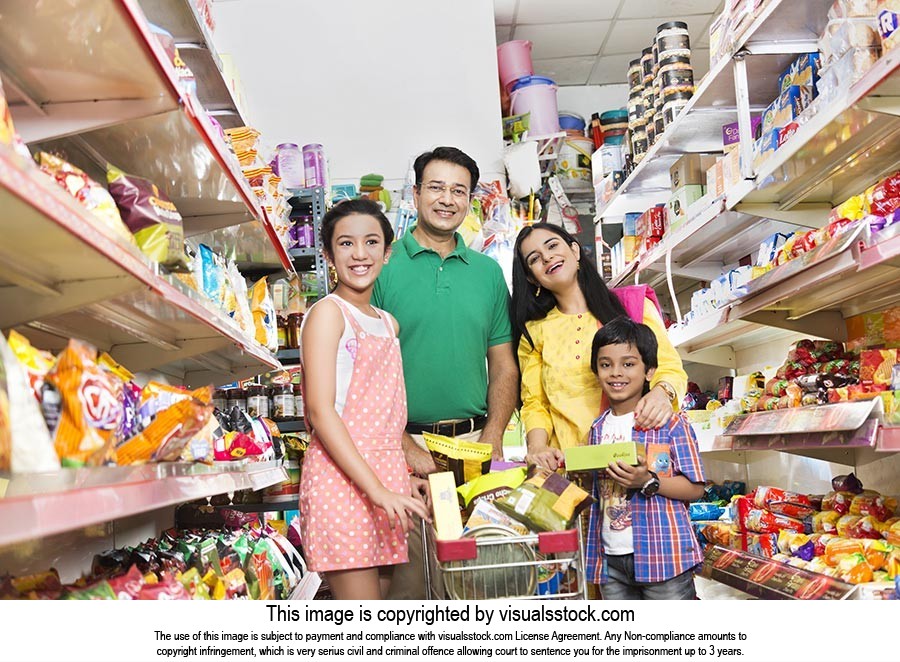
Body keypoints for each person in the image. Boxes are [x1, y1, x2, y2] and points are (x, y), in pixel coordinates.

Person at [374, 146, 519, 599]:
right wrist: (400, 445)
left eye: (459, 190)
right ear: (415, 194)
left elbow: (503, 363)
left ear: (471, 200)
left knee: (475, 586)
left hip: (472, 447)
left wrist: (492, 435)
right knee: (411, 588)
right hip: (403, 448)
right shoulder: (380, 263)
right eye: (435, 187)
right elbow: (360, 371)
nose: (447, 199)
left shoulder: (488, 273)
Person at [298, 199, 430, 600]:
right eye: (346, 244)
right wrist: (377, 489)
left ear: (387, 253)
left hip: (386, 479)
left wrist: (398, 477)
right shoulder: (328, 314)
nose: (360, 254)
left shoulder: (388, 323)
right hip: (343, 483)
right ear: (328, 255)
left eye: (372, 242)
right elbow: (322, 412)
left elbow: (384, 416)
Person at [511, 222, 687, 470]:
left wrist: (662, 394)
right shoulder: (534, 331)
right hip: (570, 466)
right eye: (535, 259)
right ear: (531, 277)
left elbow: (669, 366)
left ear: (575, 251)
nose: (547, 257)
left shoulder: (631, 307)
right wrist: (538, 447)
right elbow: (535, 403)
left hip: (634, 460)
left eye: (552, 246)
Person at [584, 317, 706, 599]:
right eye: (605, 364)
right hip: (610, 561)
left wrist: (648, 481)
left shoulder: (672, 425)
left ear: (650, 370)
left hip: (664, 558)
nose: (616, 373)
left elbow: (696, 488)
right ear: (596, 370)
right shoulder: (597, 428)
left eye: (628, 364)